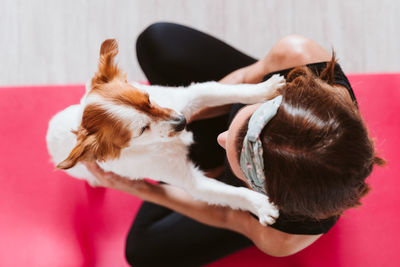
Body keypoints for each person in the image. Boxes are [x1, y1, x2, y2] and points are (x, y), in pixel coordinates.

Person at [84, 22, 384, 266]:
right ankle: (206, 160)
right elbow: (242, 79)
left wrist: (135, 185)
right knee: (157, 42)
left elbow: (228, 215)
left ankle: (206, 169)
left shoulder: (283, 236)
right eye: (247, 118)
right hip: (235, 109)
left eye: (241, 163)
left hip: (237, 195)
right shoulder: (297, 57)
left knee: (143, 251)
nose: (222, 137)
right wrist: (168, 120)